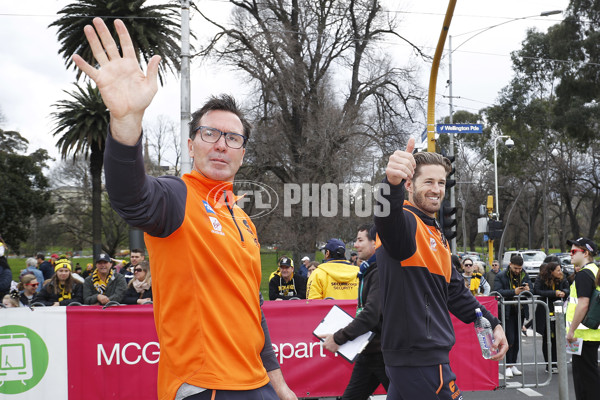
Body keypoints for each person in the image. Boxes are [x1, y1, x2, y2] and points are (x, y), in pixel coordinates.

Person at [73, 18, 295, 400]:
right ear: (191, 146)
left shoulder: (242, 217)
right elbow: (131, 198)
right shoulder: (176, 196)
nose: (221, 144)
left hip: (258, 383)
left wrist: (278, 383)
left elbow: (251, 307)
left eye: (233, 137)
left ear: (243, 153)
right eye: (210, 134)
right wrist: (126, 122)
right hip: (204, 386)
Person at [374, 139, 507, 400]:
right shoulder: (406, 222)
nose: (437, 189)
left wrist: (493, 323)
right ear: (409, 185)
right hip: (420, 355)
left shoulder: (435, 232)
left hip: (416, 356)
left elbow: (455, 291)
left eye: (442, 183)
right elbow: (386, 218)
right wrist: (390, 184)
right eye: (429, 182)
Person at [319, 224, 389, 399]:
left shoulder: (380, 271)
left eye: (360, 240)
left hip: (386, 354)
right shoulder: (368, 271)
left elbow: (370, 315)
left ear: (376, 243)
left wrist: (339, 337)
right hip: (369, 351)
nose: (355, 245)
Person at [565, 237, 600, 400]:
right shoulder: (594, 271)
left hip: (583, 334)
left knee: (585, 380)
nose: (570, 254)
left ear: (585, 253)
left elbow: (583, 304)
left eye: (574, 251)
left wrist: (571, 330)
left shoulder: (585, 274)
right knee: (588, 376)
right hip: (589, 333)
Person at [495, 253, 532, 378]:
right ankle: (508, 366)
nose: (518, 271)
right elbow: (497, 292)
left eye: (520, 268)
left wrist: (527, 289)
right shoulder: (501, 276)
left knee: (516, 340)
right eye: (515, 268)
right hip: (507, 312)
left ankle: (513, 364)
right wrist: (514, 292)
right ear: (510, 265)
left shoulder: (524, 274)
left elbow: (532, 289)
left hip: (520, 311)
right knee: (509, 339)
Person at [533, 261, 569, 372]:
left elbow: (568, 288)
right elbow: (537, 290)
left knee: (557, 339)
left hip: (558, 311)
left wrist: (564, 292)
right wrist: (554, 293)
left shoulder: (562, 278)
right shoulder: (541, 278)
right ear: (551, 271)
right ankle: (549, 364)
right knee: (547, 339)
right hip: (545, 311)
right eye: (558, 270)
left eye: (560, 270)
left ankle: (557, 363)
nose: (560, 272)